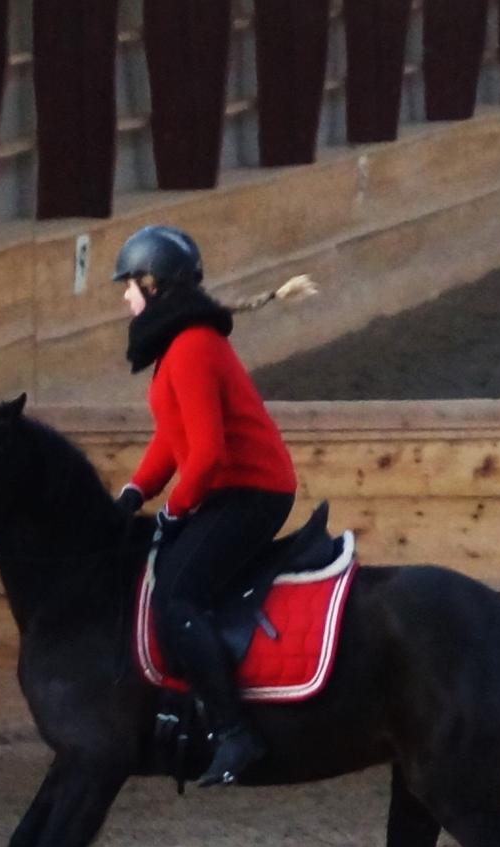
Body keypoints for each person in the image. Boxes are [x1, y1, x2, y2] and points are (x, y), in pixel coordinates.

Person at [112, 225, 315, 786]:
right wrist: (135, 492)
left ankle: (233, 732)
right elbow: (172, 439)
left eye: (129, 285)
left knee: (177, 595)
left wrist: (173, 514)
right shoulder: (178, 346)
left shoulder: (193, 346)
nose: (125, 299)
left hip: (252, 491)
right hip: (229, 487)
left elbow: (205, 454)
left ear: (153, 284)